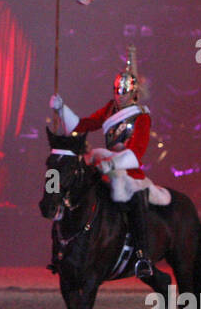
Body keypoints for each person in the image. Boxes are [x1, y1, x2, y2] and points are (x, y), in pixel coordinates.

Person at [49, 47, 156, 278]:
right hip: (104, 165)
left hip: (127, 171)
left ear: (134, 93)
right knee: (73, 187)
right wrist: (61, 108)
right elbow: (82, 125)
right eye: (117, 91)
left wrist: (112, 164)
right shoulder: (109, 109)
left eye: (124, 92)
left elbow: (136, 153)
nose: (120, 95)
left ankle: (142, 256)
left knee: (136, 201)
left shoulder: (142, 117)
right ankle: (59, 249)